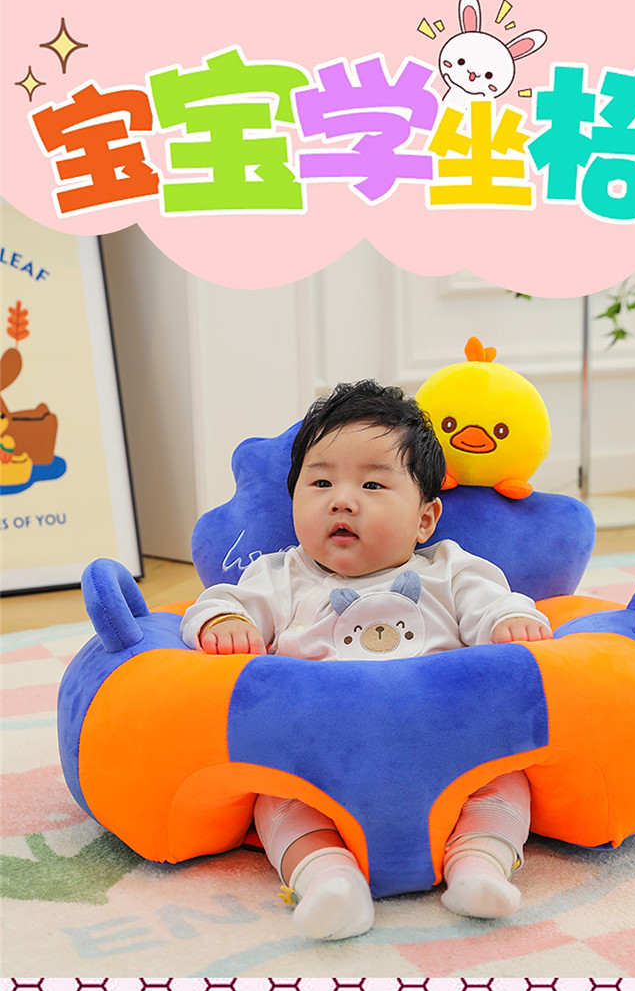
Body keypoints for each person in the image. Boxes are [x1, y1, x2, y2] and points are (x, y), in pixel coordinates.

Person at [181, 380, 553, 940]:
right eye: (320, 482)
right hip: (322, 759)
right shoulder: (282, 576)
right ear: (294, 501)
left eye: (373, 484)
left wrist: (508, 623)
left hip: (445, 748)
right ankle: (328, 880)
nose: (342, 500)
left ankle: (479, 864)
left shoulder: (449, 568)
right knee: (276, 799)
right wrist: (225, 623)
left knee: (505, 780)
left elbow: (494, 604)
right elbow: (220, 602)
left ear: (425, 519)